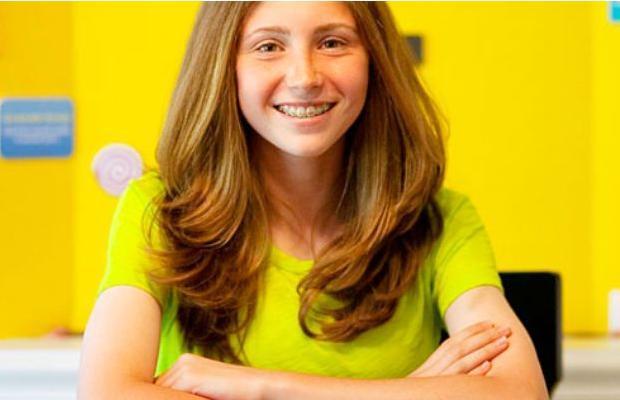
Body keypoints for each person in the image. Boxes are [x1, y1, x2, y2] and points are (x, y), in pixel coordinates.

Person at [78, 2, 547, 399]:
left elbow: (523, 392)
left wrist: (264, 387)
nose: (304, 76)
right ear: (224, 66)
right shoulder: (158, 210)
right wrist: (408, 391)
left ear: (375, 60)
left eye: (333, 42)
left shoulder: (440, 218)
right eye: (268, 46)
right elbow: (106, 394)